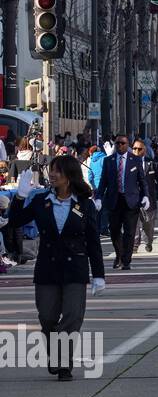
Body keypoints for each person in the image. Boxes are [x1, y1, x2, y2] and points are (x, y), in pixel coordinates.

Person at [7, 157, 105, 381]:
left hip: (75, 268)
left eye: (57, 171)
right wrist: (20, 198)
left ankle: (63, 364)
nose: (52, 175)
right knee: (48, 317)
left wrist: (99, 275)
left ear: (69, 176)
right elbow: (15, 221)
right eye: (51, 171)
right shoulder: (41, 201)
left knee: (72, 316)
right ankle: (57, 355)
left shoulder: (84, 204)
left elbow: (93, 241)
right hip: (48, 268)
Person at [94, 134, 151, 271]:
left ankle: (126, 260)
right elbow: (103, 182)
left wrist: (146, 196)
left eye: (123, 143)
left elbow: (142, 181)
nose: (120, 146)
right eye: (118, 143)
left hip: (131, 201)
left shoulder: (135, 160)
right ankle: (119, 255)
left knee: (130, 232)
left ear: (128, 145)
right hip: (114, 200)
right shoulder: (109, 161)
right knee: (114, 230)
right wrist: (99, 197)